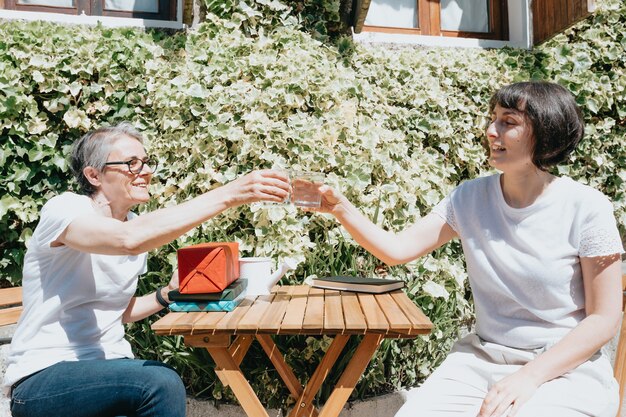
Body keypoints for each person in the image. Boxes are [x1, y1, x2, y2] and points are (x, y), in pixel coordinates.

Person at [311, 81, 623, 417]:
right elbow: (397, 249)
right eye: (492, 119)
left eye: (509, 122)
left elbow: (604, 318)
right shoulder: (469, 197)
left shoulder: (587, 207)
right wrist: (341, 209)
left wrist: (529, 377)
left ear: (545, 132)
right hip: (482, 360)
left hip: (564, 368)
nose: (491, 131)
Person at [4, 123, 291, 417]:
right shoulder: (66, 209)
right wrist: (230, 194)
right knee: (160, 382)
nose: (145, 171)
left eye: (146, 162)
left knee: (153, 385)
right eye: (131, 163)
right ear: (94, 175)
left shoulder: (133, 223)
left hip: (108, 372)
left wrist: (166, 294)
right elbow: (126, 240)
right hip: (43, 378)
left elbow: (118, 311)